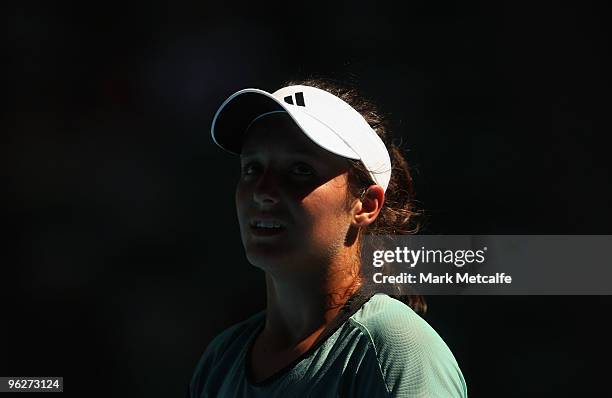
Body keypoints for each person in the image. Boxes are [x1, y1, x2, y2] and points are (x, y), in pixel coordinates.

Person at [188, 79, 467, 397]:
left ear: (366, 204)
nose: (263, 192)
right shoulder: (220, 359)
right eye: (252, 168)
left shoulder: (398, 349)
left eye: (300, 169)